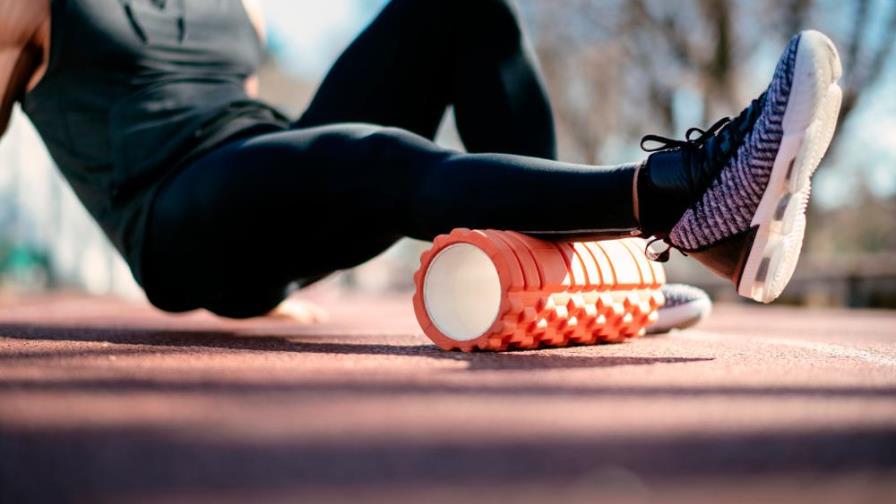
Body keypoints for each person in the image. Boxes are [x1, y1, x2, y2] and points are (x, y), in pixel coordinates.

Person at [0, 0, 842, 321]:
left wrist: (269, 270)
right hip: (175, 214)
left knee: (454, 10)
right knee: (377, 158)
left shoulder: (237, 7)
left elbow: (250, 120)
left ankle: (569, 266)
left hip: (258, 175)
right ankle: (681, 197)